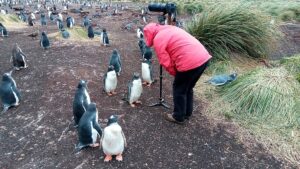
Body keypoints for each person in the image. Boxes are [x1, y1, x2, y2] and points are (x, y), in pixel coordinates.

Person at [143, 23, 211, 124]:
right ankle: (187, 113)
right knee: (188, 87)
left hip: (190, 62)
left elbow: (165, 62)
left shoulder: (158, 38)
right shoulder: (170, 28)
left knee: (179, 88)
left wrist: (176, 74)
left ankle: (178, 116)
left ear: (149, 34)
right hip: (204, 58)